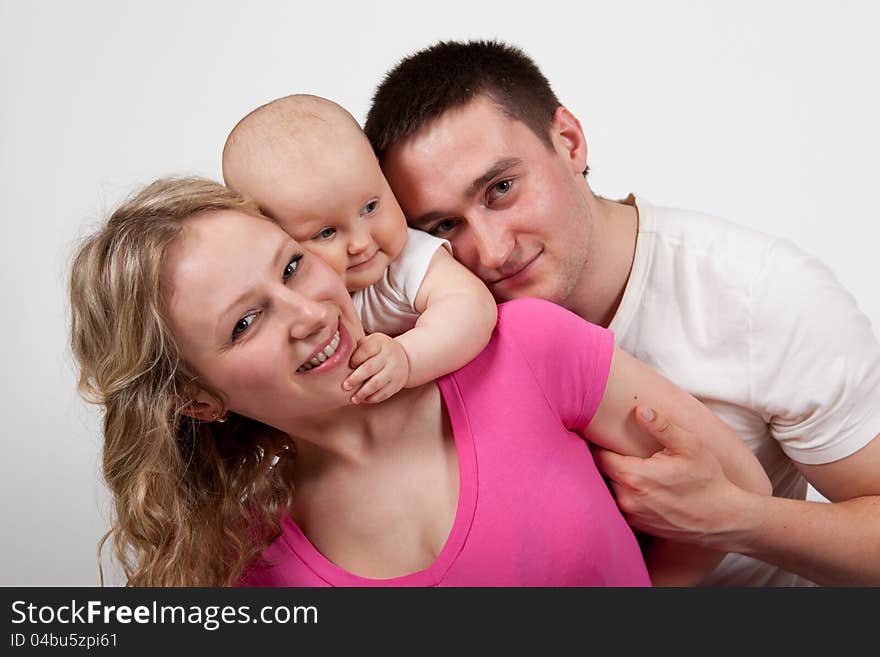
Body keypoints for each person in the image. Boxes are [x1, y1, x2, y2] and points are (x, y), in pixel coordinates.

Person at [69, 177, 769, 587]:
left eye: (290, 267)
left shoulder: (523, 347)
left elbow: (737, 490)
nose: (309, 313)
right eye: (247, 322)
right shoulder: (248, 562)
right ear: (199, 399)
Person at [364, 39, 880, 586]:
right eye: (444, 226)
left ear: (569, 142)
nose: (490, 251)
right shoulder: (426, 329)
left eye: (501, 189)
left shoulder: (766, 295)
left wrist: (737, 519)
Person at [221, 95, 497, 405]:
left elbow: (472, 308)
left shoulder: (409, 259)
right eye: (326, 233)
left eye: (369, 207)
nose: (361, 242)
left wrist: (407, 357)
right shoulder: (302, 306)